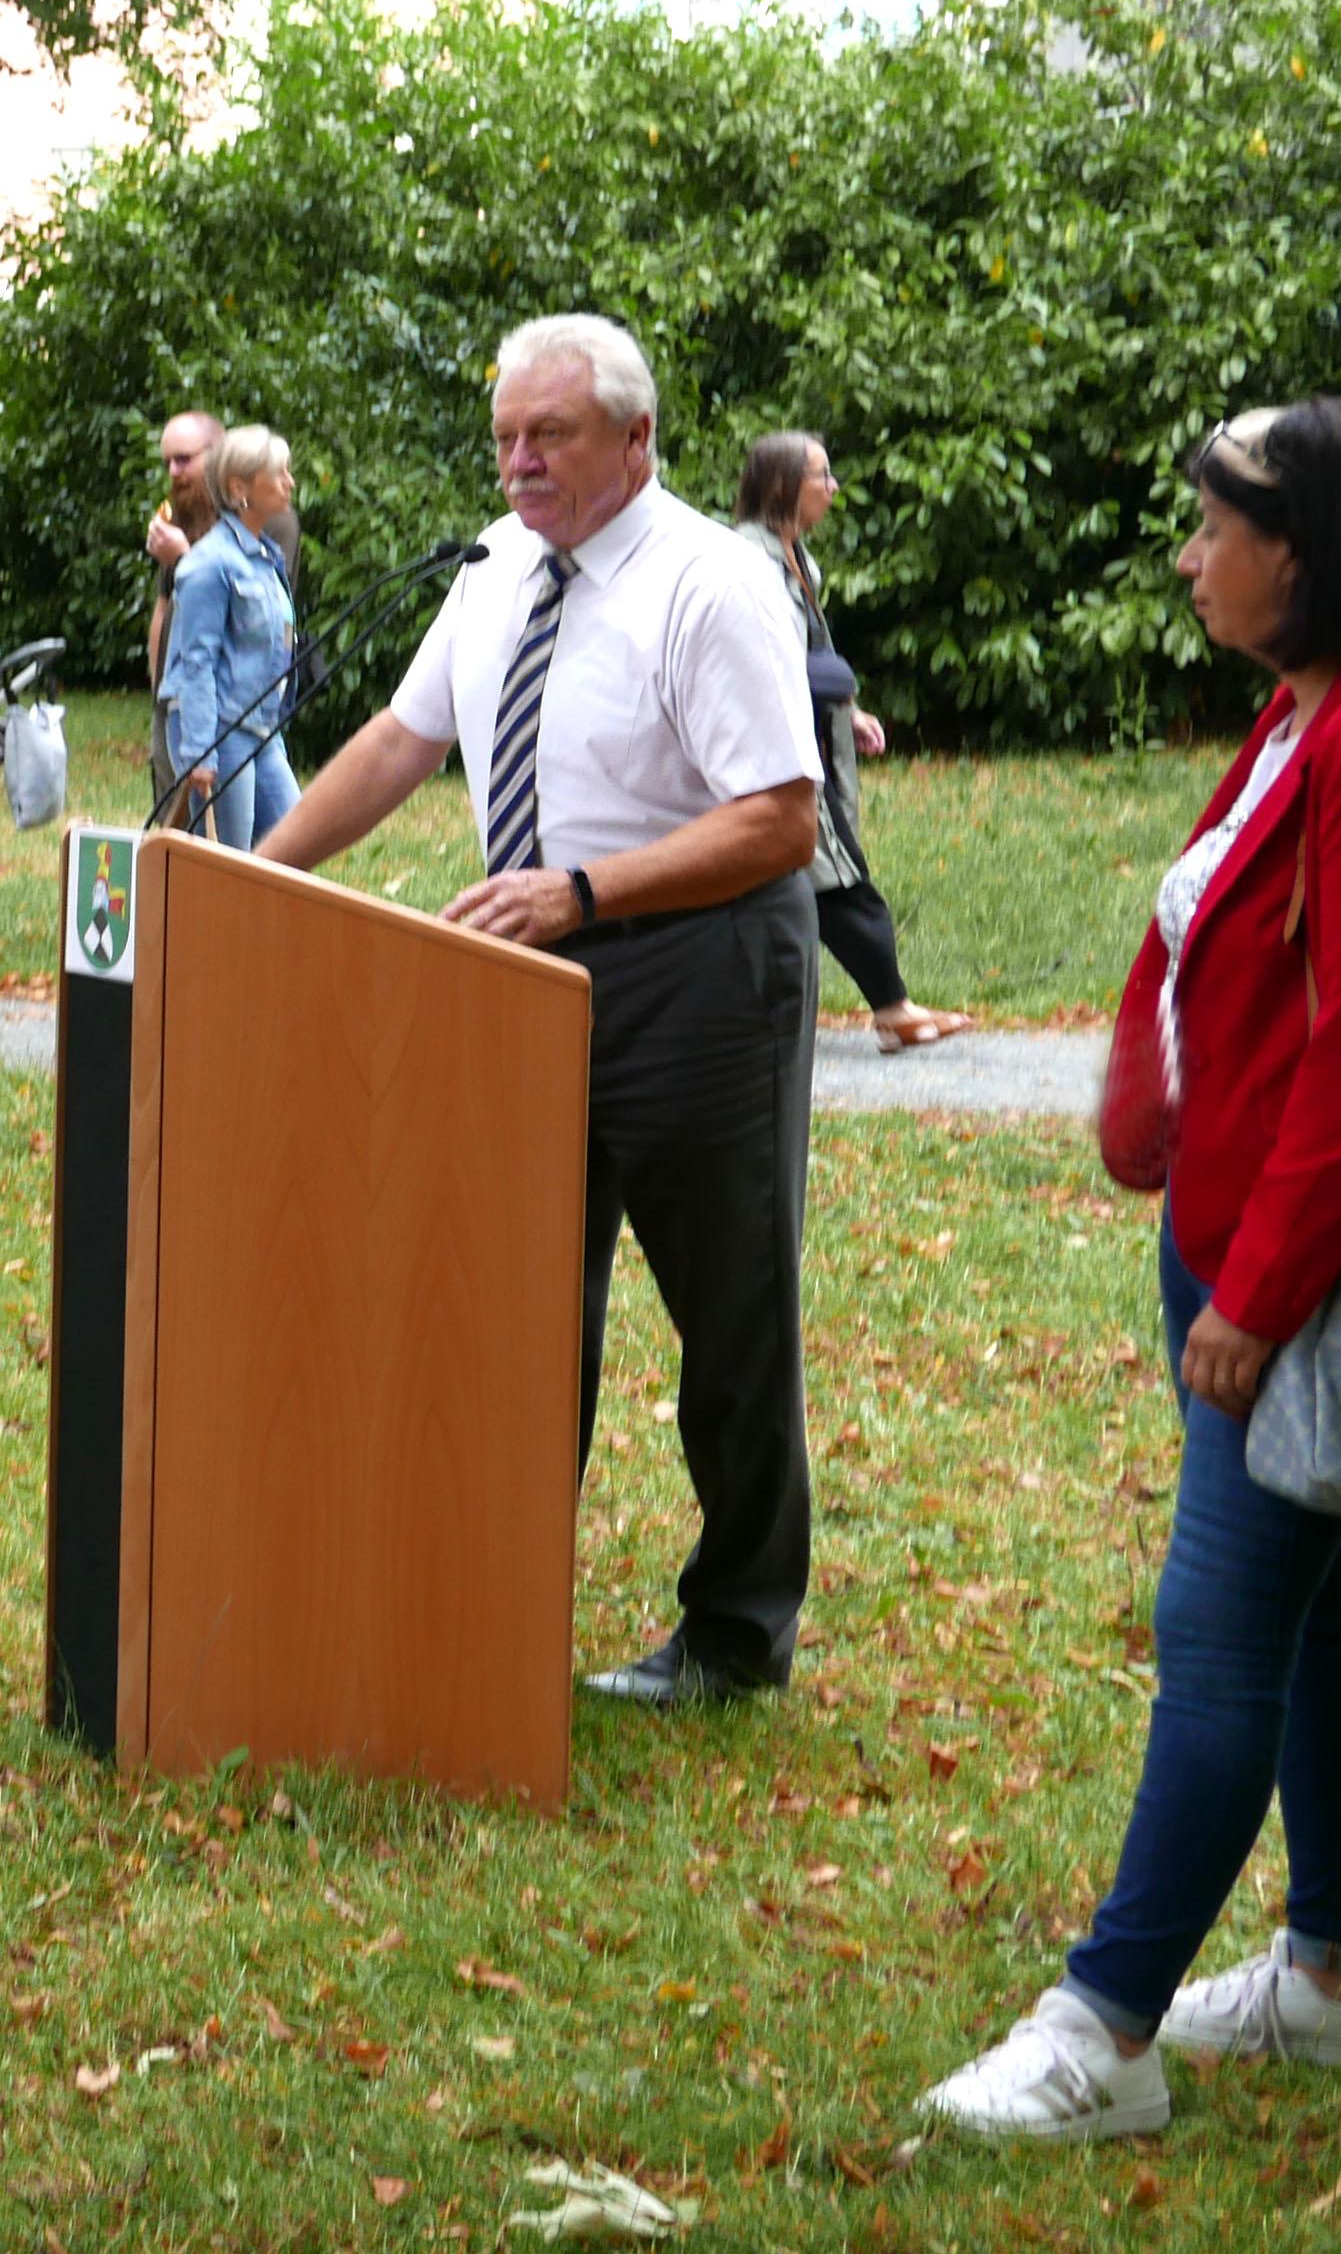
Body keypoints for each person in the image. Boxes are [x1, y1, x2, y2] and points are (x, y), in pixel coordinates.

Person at [925, 400, 1341, 2143]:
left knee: (1216, 1640)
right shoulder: (1315, 710)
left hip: (1302, 1273)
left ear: (1309, 549)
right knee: (1313, 1616)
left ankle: (1100, 2028)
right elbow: (1219, 957)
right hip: (1239, 1245)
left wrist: (1257, 1295)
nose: (1191, 557)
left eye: (1215, 528)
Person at [258, 314, 823, 1708]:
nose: (518, 463)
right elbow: (405, 738)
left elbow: (782, 819)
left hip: (699, 970)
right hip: (525, 974)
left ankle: (738, 1636)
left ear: (635, 440)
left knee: (730, 1322)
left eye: (549, 436)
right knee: (509, 1306)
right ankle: (484, 1599)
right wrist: (244, 879)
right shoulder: (501, 568)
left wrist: (585, 890)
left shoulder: (711, 584)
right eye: (505, 436)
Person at [734, 431, 973, 1052]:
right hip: (775, 749)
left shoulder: (797, 561)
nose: (833, 487)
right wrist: (828, 685)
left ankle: (758, 1012)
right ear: (786, 484)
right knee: (837, 875)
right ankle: (893, 1008)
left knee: (790, 879)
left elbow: (812, 652)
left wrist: (850, 706)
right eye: (823, 475)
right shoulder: (746, 564)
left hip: (815, 739)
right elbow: (760, 661)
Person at [157, 423, 302, 849]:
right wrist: (200, 752)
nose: (289, 483)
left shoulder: (264, 557)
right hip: (219, 730)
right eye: (279, 473)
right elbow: (195, 662)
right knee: (228, 864)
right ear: (240, 487)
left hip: (260, 727)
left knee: (294, 846)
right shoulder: (208, 564)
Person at [141, 407, 222, 694]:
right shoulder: (182, 514)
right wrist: (158, 691)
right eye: (168, 463)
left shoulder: (251, 516)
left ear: (216, 455)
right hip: (178, 687)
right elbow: (164, 608)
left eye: (184, 460)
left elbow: (248, 609)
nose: (174, 472)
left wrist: (184, 559)